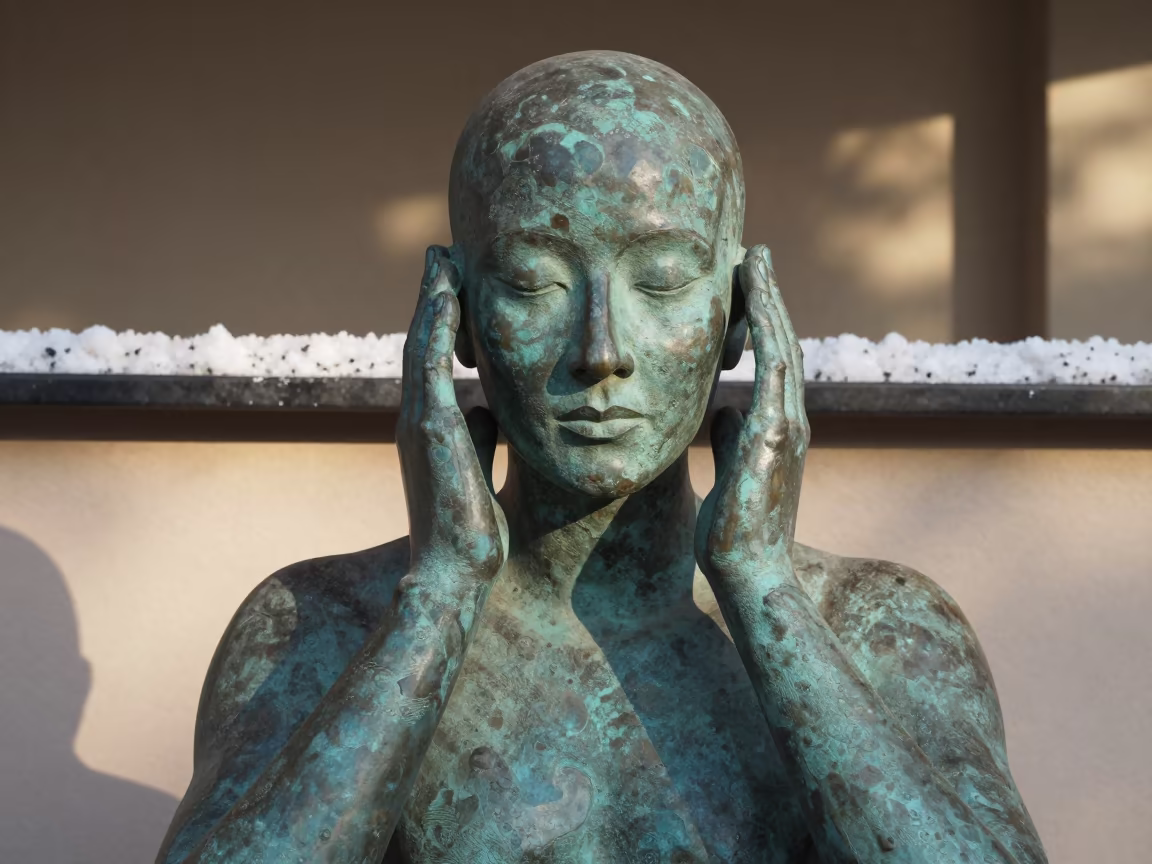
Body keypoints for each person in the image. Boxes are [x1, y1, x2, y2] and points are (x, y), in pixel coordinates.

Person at [156, 51, 1047, 863]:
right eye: (533, 281)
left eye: (662, 279)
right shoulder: (318, 627)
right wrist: (440, 595)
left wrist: (763, 590)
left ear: (740, 315)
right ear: (455, 316)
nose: (601, 350)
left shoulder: (880, 631)